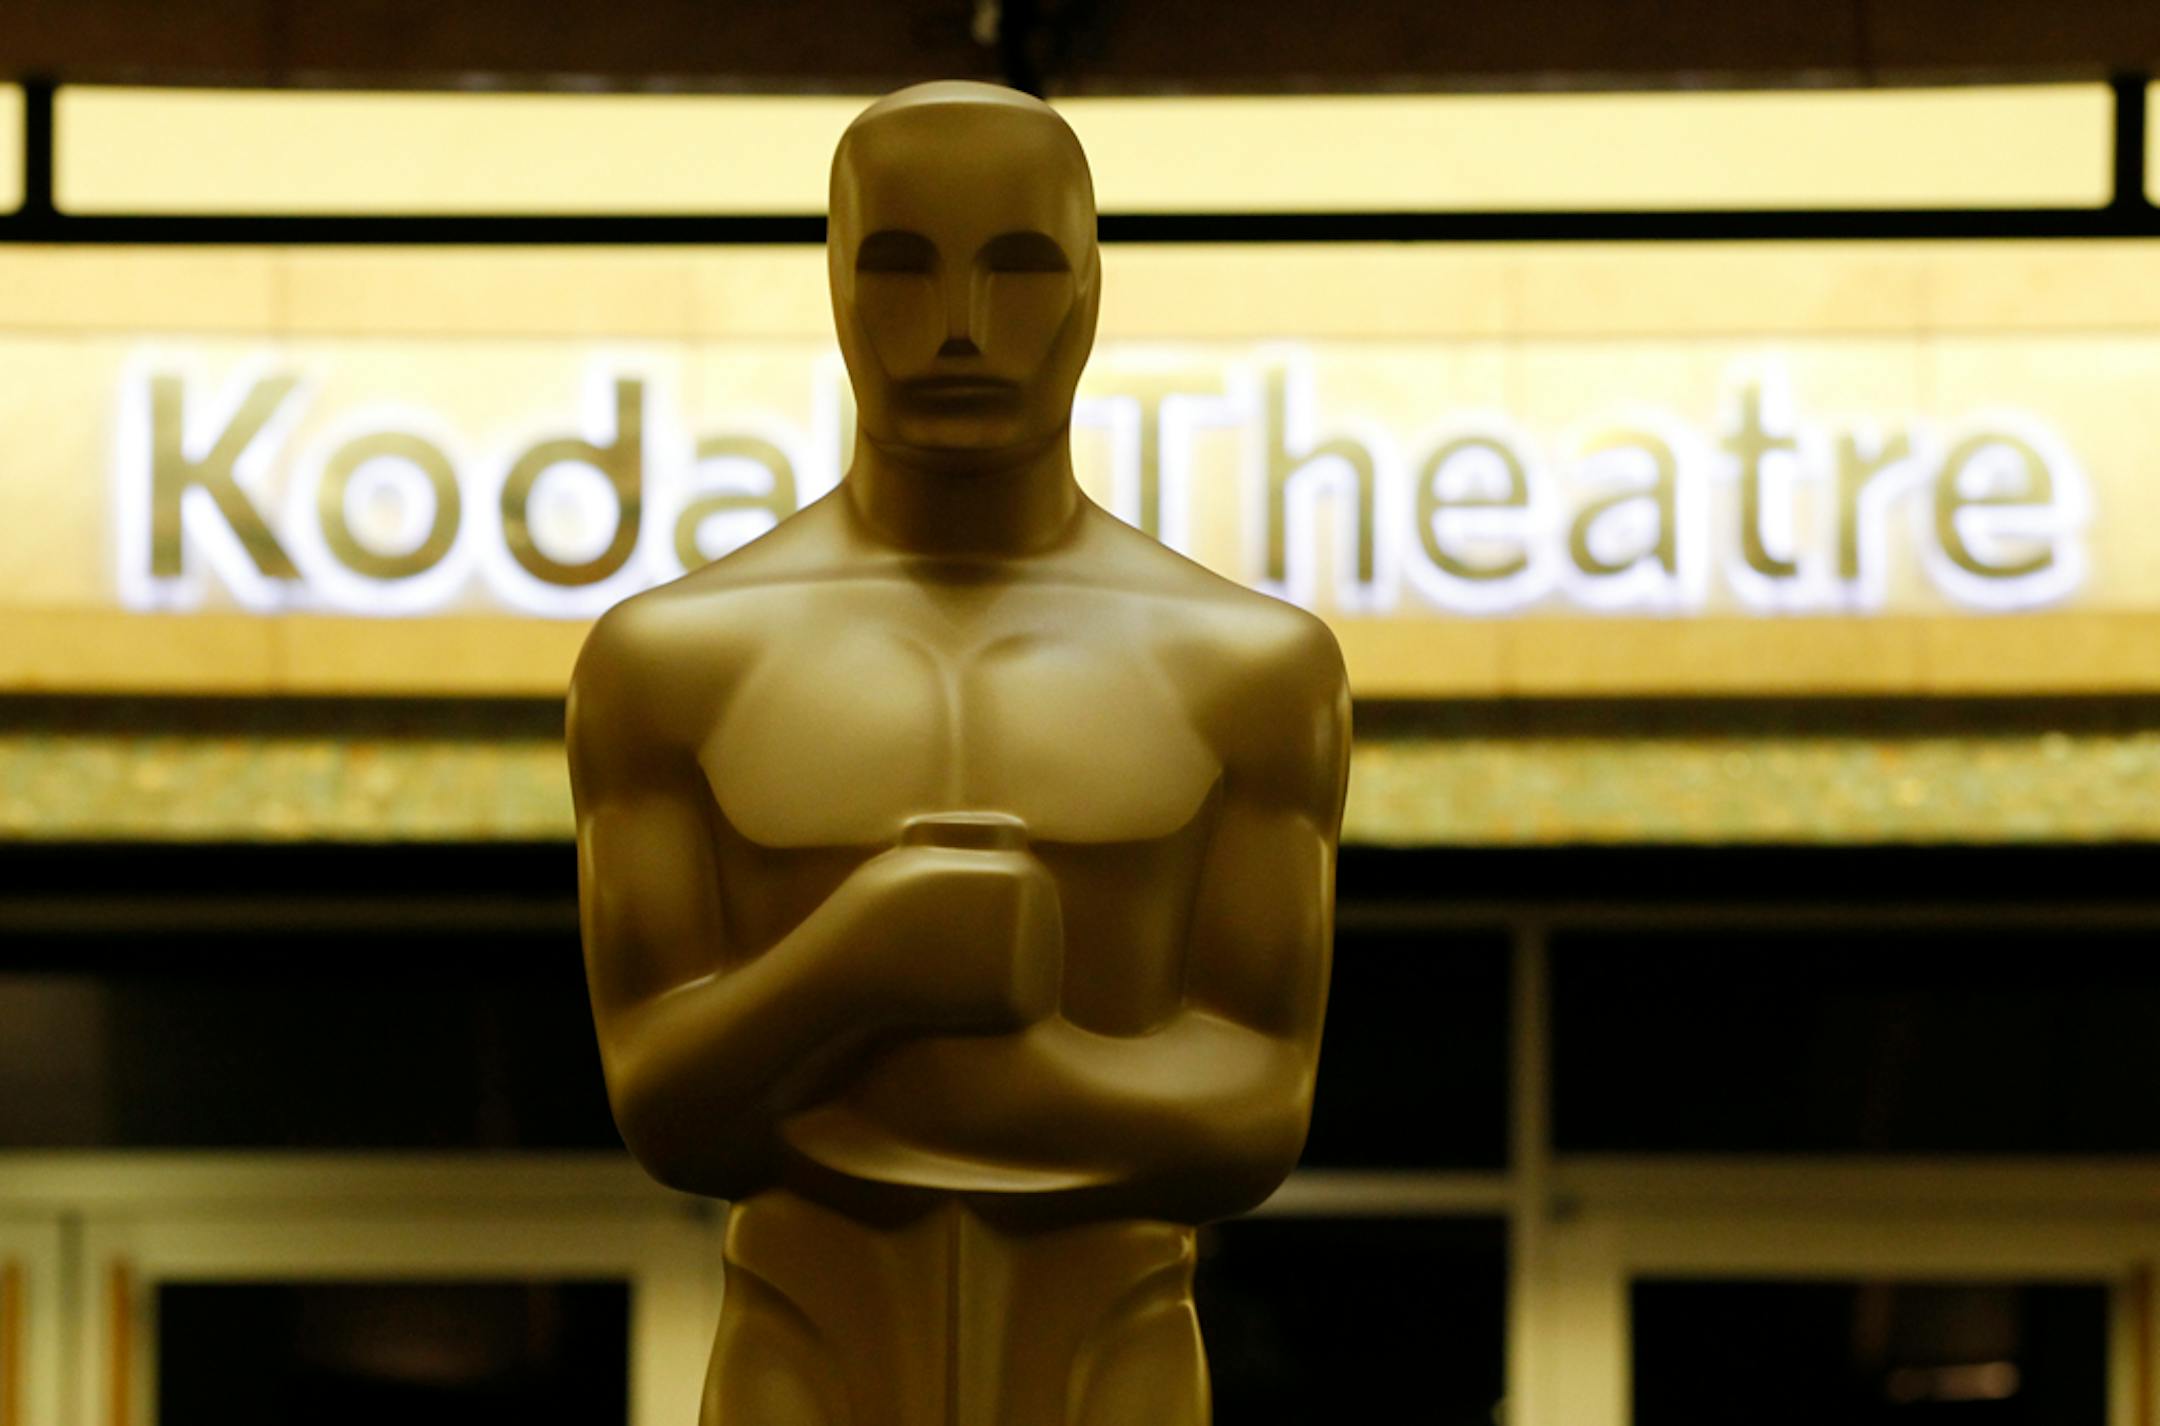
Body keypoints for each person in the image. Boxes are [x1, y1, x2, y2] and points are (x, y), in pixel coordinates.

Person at [568, 80, 1350, 1426]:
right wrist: (854, 963)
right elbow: (666, 1109)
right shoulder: (671, 660)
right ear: (832, 283)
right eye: (899, 266)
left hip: (1116, 1351)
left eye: (1021, 268)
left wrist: (1002, 1075)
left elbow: (1258, 1113)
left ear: (1093, 290)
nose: (960, 331)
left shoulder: (1251, 668)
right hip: (799, 1347)